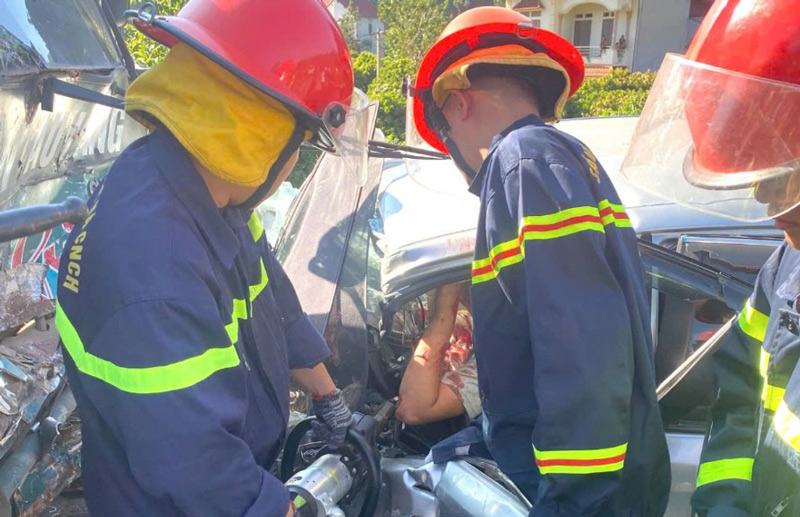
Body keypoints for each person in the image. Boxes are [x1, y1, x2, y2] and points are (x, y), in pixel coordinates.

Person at [54, 1, 368, 516]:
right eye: (302, 141)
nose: (294, 161)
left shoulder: (210, 193)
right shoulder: (152, 270)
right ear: (260, 130)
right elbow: (197, 464)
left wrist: (327, 397)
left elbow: (273, 301)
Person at [411, 6, 670, 515]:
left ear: (458, 103)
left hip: (579, 496)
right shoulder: (557, 160)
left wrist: (569, 502)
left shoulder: (523, 162)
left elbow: (581, 348)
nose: (454, 154)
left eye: (445, 139)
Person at [620, 1, 800, 515]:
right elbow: (741, 397)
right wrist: (724, 504)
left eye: (781, 174)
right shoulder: (784, 272)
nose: (765, 199)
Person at [396, 283, 482, 425]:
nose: (463, 294)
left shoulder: (504, 355)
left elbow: (412, 410)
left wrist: (443, 315)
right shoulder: (470, 322)